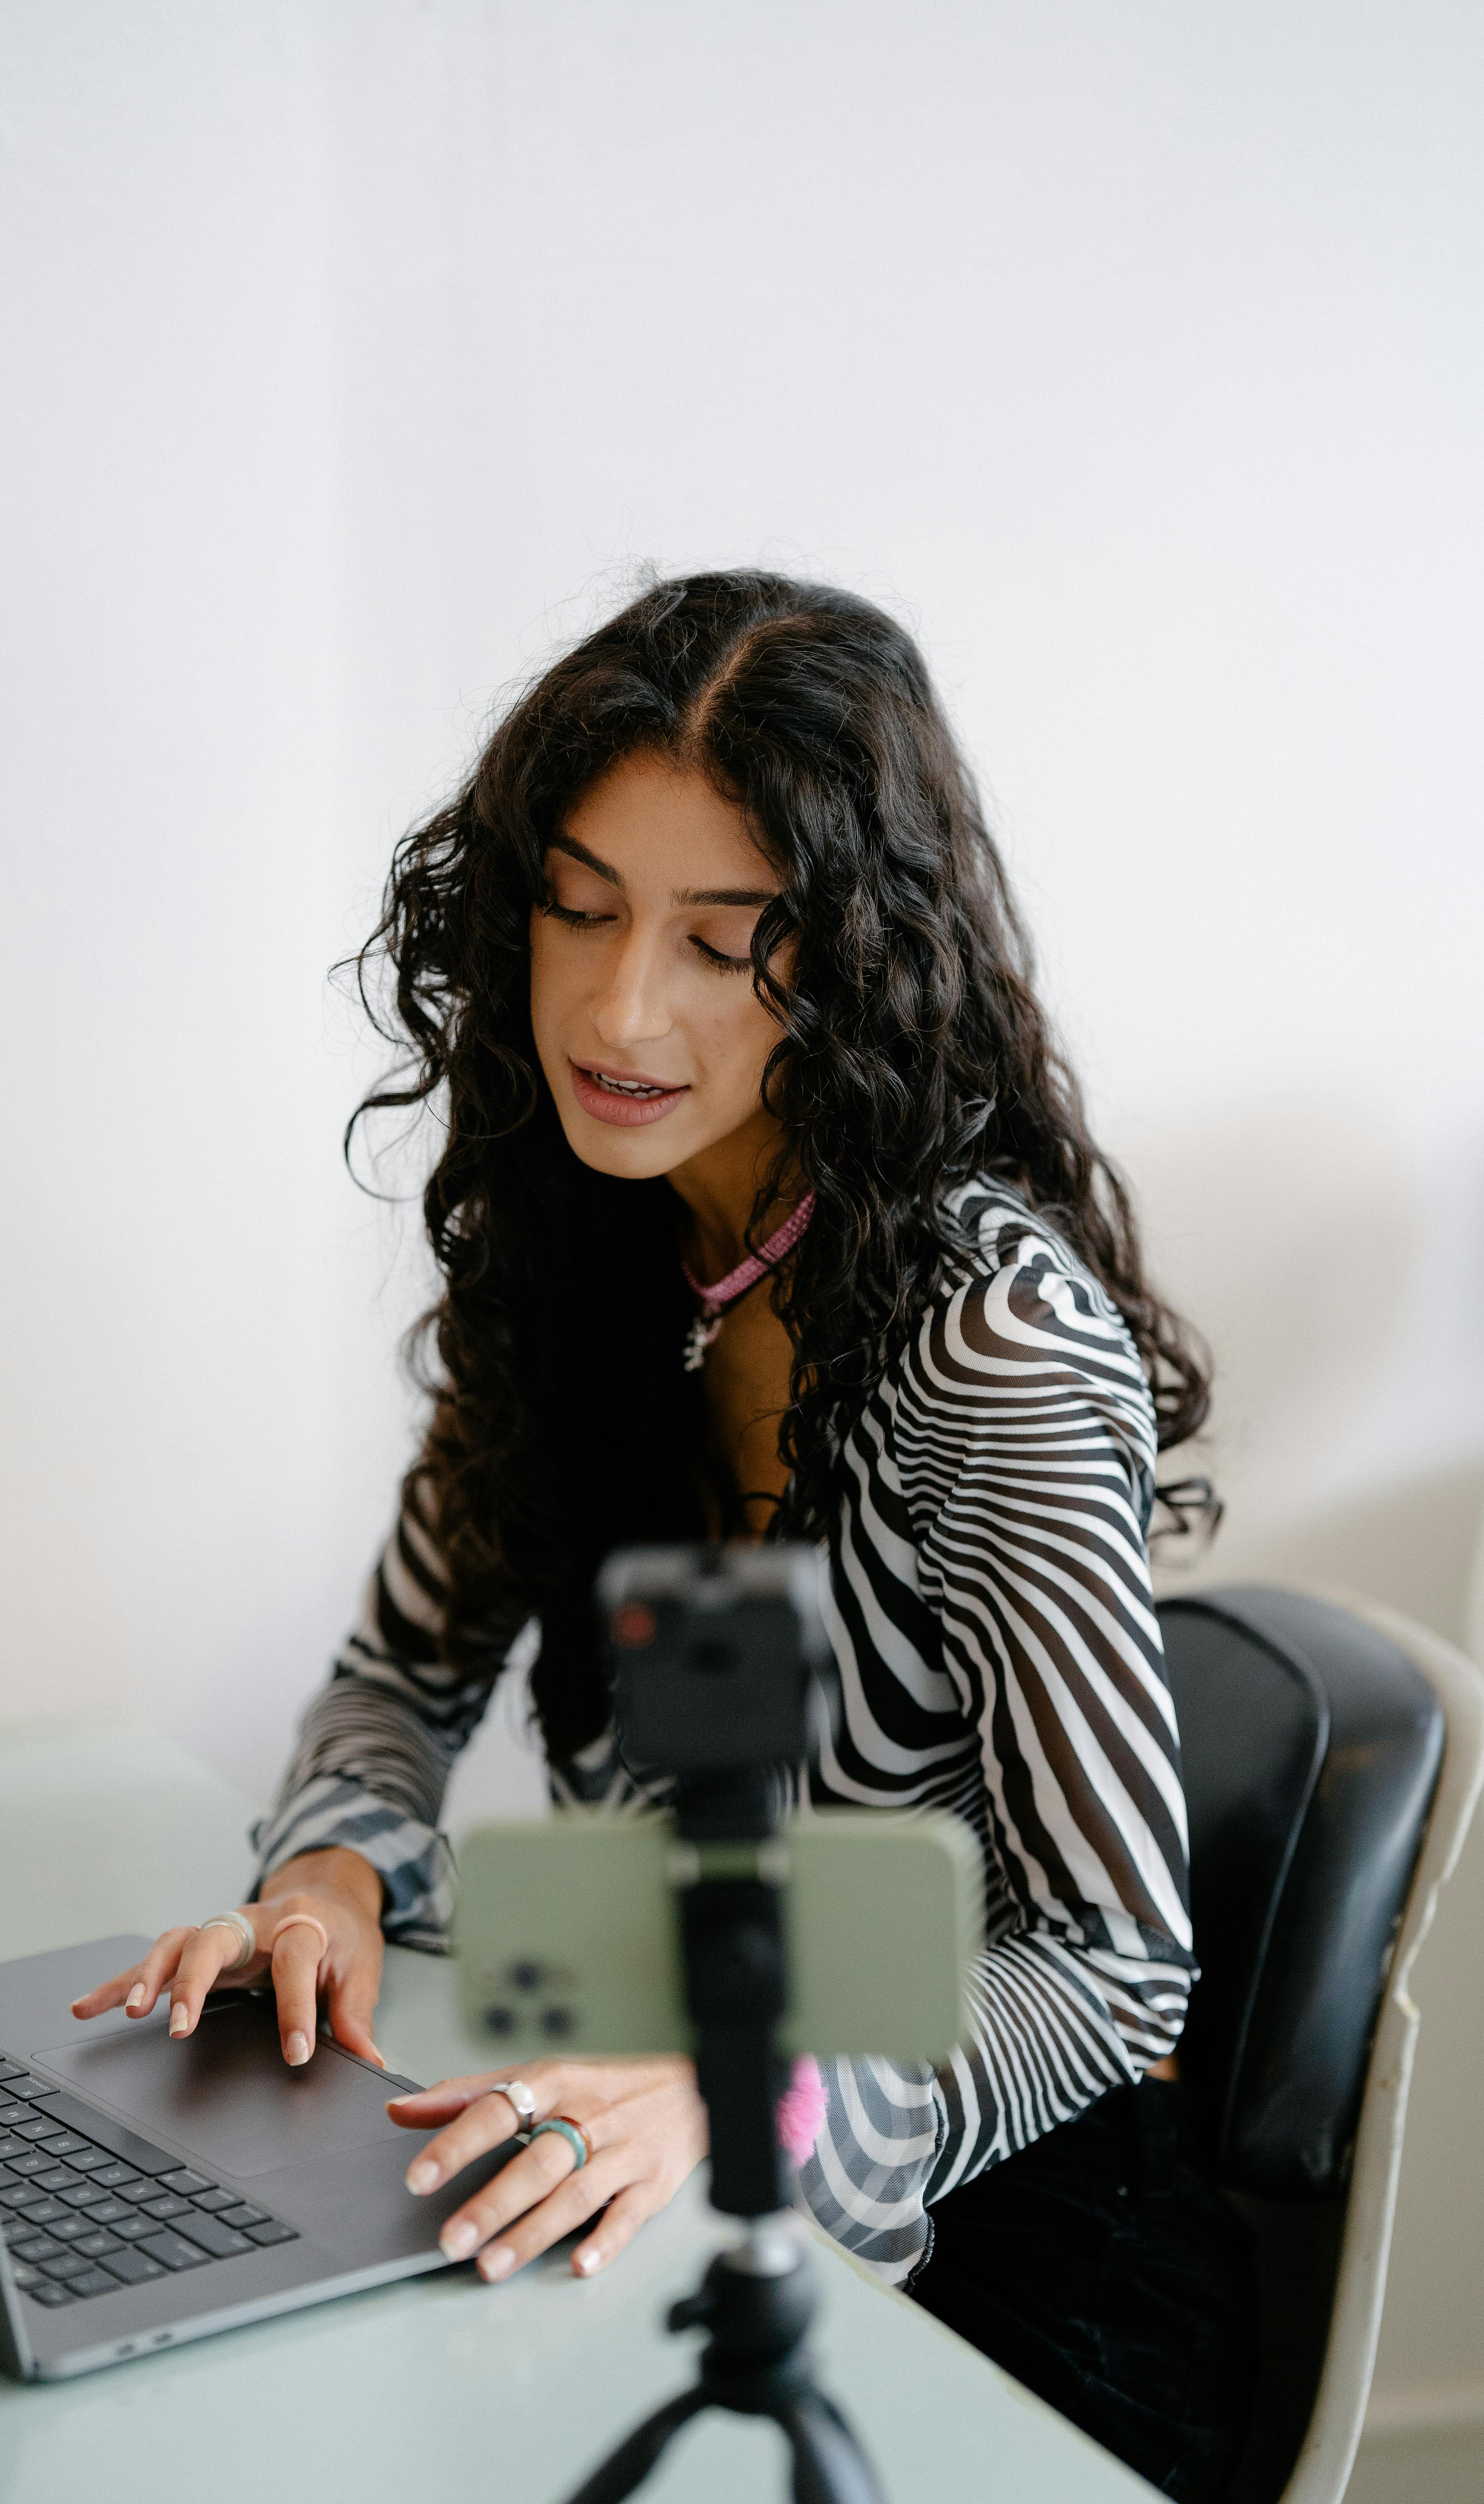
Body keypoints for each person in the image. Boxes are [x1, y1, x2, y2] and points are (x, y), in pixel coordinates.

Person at [74, 572, 1253, 2500]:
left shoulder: (996, 1348)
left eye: (728, 944)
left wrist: (750, 2107)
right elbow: (400, 1677)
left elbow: (1115, 1969)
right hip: (638, 2102)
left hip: (1001, 2270)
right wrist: (326, 1892)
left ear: (859, 961)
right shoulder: (585, 1235)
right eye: (580, 906)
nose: (622, 1011)